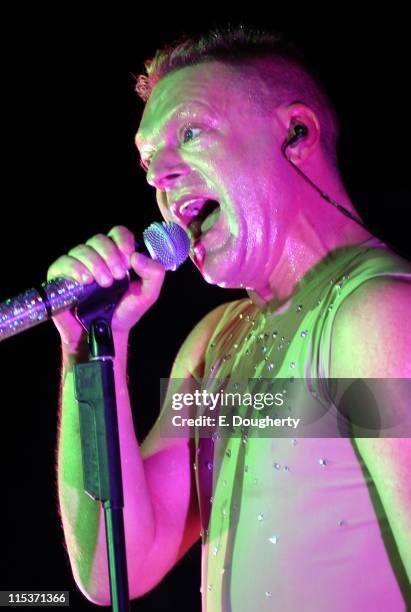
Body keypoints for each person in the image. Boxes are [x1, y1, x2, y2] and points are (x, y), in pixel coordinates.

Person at [48, 26, 411, 611]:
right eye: (146, 159)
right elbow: (115, 566)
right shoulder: (215, 342)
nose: (156, 175)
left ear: (297, 134)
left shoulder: (378, 317)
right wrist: (90, 349)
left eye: (189, 134)